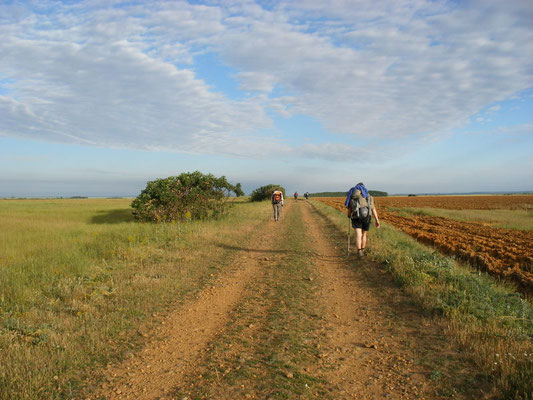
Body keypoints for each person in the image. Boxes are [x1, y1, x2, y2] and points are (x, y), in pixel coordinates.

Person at [345, 182, 380, 257]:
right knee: (364, 235)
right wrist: (377, 220)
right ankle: (363, 250)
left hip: (356, 217)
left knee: (358, 235)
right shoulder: (368, 196)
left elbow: (349, 209)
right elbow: (373, 209)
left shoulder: (353, 196)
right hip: (367, 217)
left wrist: (348, 215)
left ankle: (359, 252)